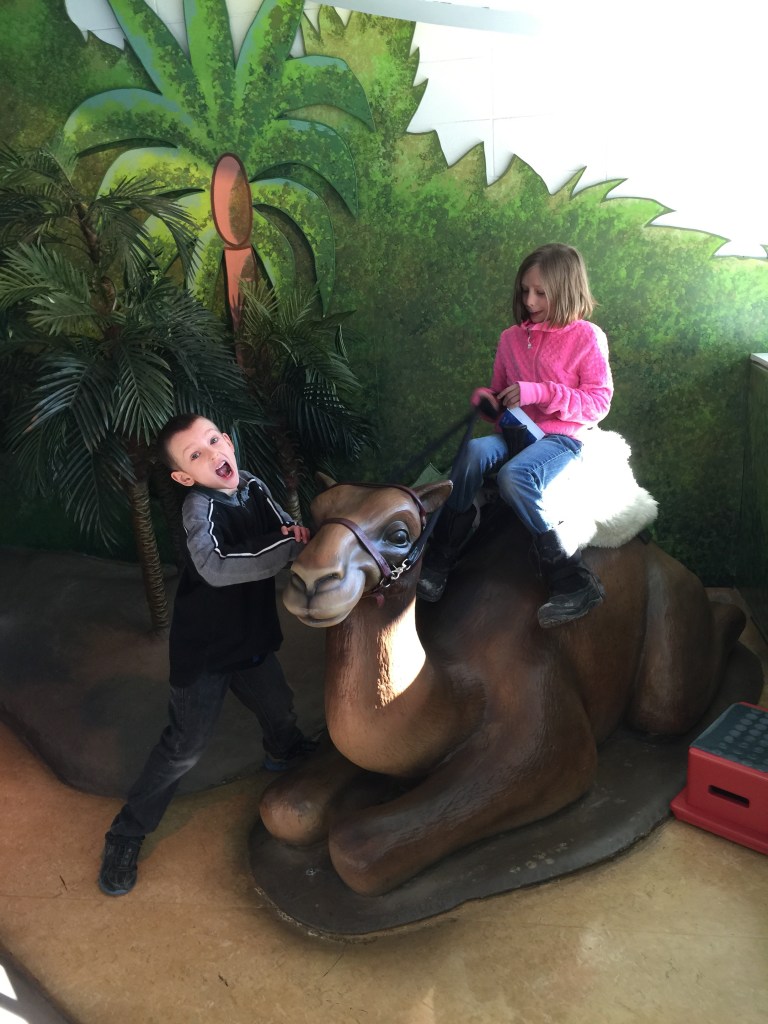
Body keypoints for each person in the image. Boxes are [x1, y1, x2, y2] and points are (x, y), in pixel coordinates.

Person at [98, 413, 316, 896]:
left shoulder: (255, 486)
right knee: (184, 748)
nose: (213, 453)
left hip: (251, 636)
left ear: (230, 442)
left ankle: (284, 752)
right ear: (183, 476)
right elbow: (215, 567)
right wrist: (284, 547)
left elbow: (284, 529)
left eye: (214, 440)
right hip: (207, 651)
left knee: (277, 705)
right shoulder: (198, 510)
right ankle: (126, 833)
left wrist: (298, 535)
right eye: (196, 454)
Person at [417, 243, 613, 628]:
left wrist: (538, 392)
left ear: (567, 289)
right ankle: (441, 556)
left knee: (514, 476)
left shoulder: (587, 337)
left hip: (562, 440)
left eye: (540, 292)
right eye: (525, 290)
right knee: (472, 452)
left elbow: (598, 403)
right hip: (515, 435)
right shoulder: (510, 338)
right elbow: (500, 397)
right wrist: (490, 402)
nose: (530, 300)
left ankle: (572, 579)